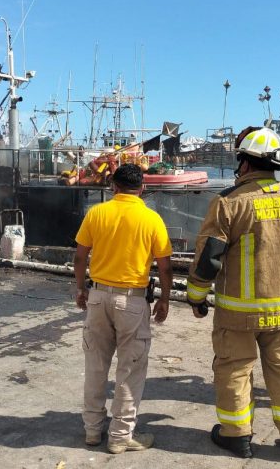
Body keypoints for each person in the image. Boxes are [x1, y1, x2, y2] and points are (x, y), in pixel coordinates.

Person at [188, 127, 280, 466]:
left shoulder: (229, 203)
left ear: (244, 163)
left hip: (238, 314)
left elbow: (209, 258)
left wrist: (196, 297)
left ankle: (237, 437)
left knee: (234, 370)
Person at [73, 163, 173, 454]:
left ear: (113, 187)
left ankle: (92, 431)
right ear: (141, 188)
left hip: (98, 297)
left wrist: (81, 289)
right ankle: (119, 436)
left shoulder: (97, 213)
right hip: (132, 301)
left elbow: (80, 257)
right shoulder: (151, 219)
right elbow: (165, 267)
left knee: (95, 367)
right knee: (130, 370)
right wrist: (165, 299)